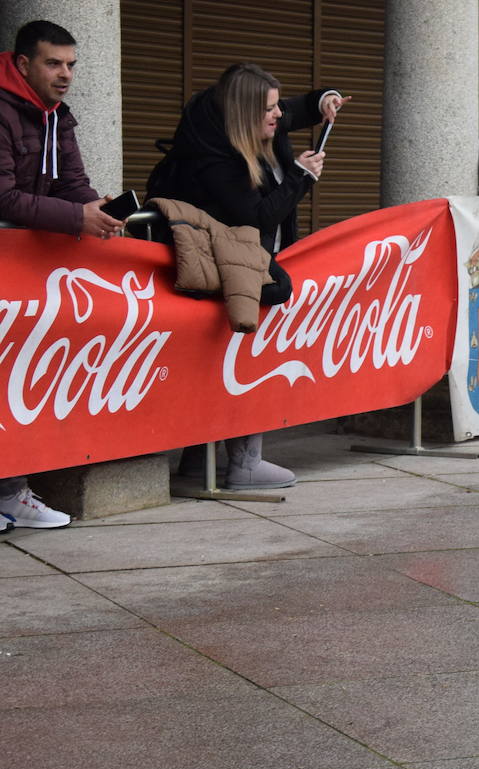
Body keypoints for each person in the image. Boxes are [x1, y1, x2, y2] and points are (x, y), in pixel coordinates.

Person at [149, 62, 346, 490]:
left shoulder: (250, 119)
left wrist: (323, 98)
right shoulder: (213, 159)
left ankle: (200, 462)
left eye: (278, 106)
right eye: (270, 110)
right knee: (241, 362)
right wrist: (301, 177)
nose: (279, 116)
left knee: (227, 362)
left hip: (237, 264)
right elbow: (255, 218)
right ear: (243, 114)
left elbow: (296, 109)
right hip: (223, 269)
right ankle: (243, 462)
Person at [0, 19, 127, 529]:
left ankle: (11, 493)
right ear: (24, 63)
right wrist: (77, 218)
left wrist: (98, 209)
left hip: (25, 271)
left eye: (72, 64)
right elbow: (3, 197)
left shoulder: (58, 115)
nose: (66, 74)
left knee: (16, 384)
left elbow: (71, 182)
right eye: (54, 63)